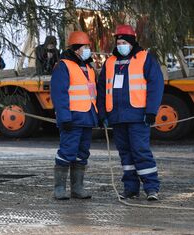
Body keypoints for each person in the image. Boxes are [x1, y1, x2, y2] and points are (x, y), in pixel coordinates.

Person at [96, 24, 163, 201]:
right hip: (116, 117)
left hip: (138, 116)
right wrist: (102, 113)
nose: (121, 45)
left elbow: (156, 86)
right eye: (118, 42)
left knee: (140, 151)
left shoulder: (145, 58)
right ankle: (131, 189)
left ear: (132, 42)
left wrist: (151, 111)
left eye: (124, 41)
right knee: (125, 154)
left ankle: (151, 188)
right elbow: (102, 89)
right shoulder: (110, 63)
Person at [50, 31, 98, 200]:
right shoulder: (64, 66)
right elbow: (59, 93)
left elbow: (92, 93)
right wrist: (64, 118)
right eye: (85, 47)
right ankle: (59, 189)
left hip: (87, 117)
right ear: (76, 49)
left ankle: (77, 188)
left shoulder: (88, 67)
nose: (87, 50)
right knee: (67, 152)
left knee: (82, 154)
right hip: (72, 118)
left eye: (88, 47)